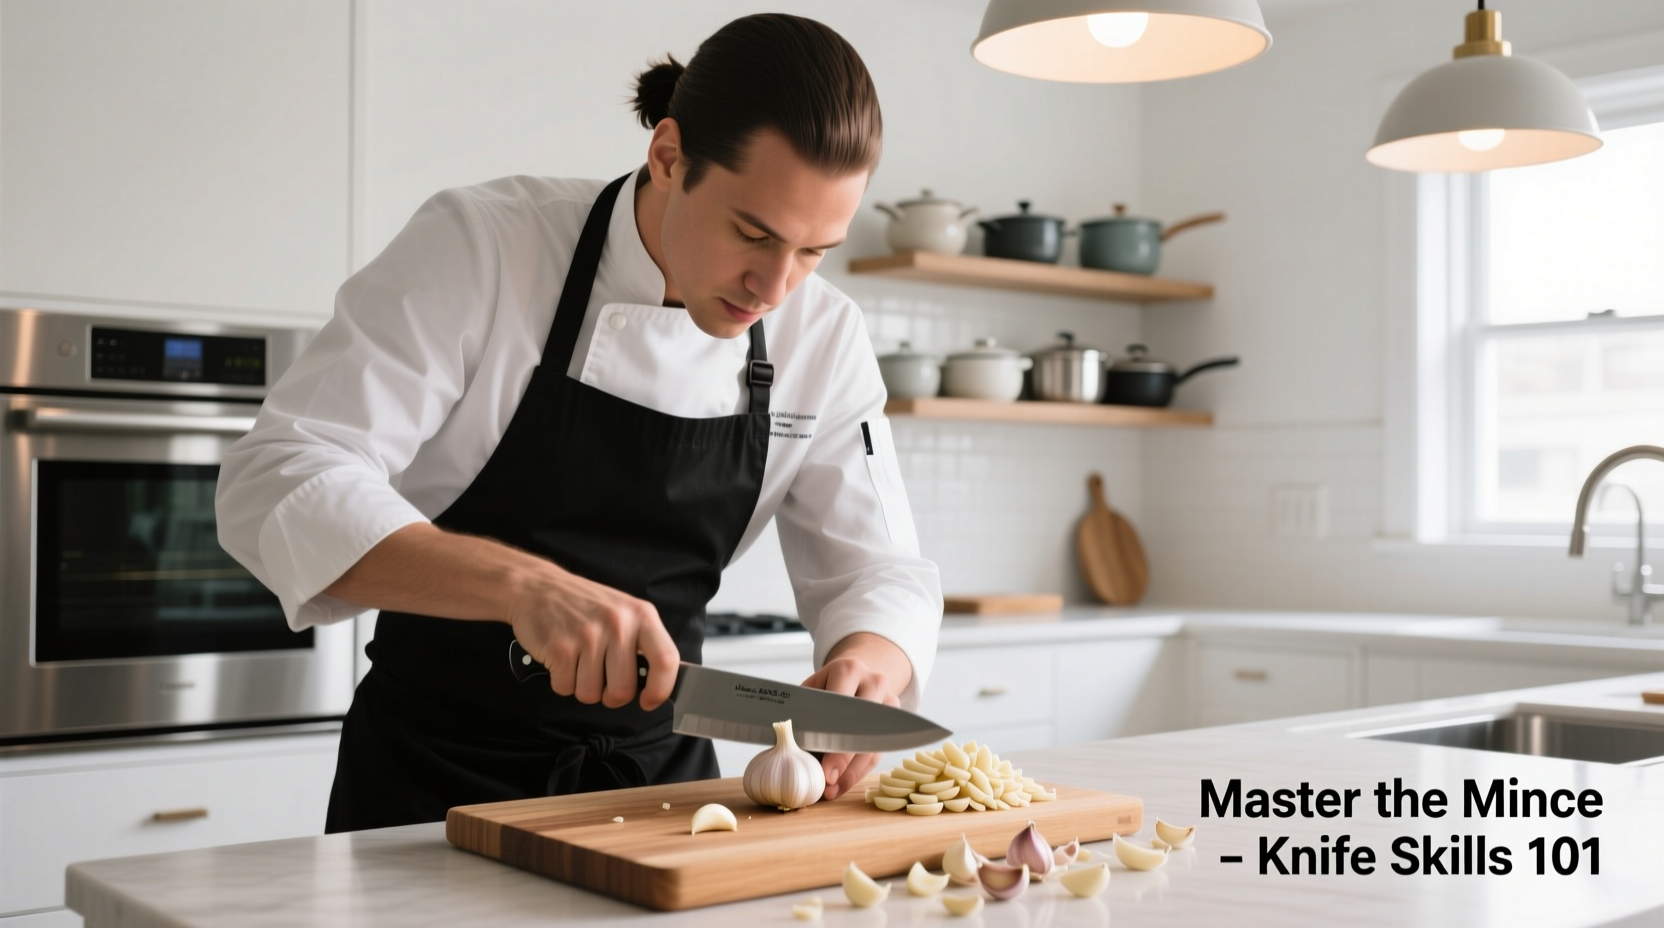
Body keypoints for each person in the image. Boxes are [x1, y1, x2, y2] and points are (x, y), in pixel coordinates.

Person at [215, 12, 942, 833]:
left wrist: (869, 663)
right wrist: (521, 586)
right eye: (753, 231)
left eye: (816, 251)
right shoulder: (486, 248)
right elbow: (279, 475)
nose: (776, 285)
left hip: (662, 800)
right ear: (668, 157)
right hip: (431, 796)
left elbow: (879, 571)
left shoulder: (824, 335)